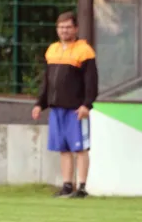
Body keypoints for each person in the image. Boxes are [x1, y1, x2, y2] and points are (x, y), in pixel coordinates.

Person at [32, 11, 98, 198]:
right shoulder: (52, 50)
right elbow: (47, 81)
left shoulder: (84, 51)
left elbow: (91, 81)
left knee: (80, 148)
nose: (64, 31)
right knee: (63, 148)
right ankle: (68, 185)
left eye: (68, 27)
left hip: (76, 109)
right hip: (56, 108)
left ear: (76, 29)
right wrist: (40, 103)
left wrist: (87, 104)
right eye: (61, 27)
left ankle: (82, 187)